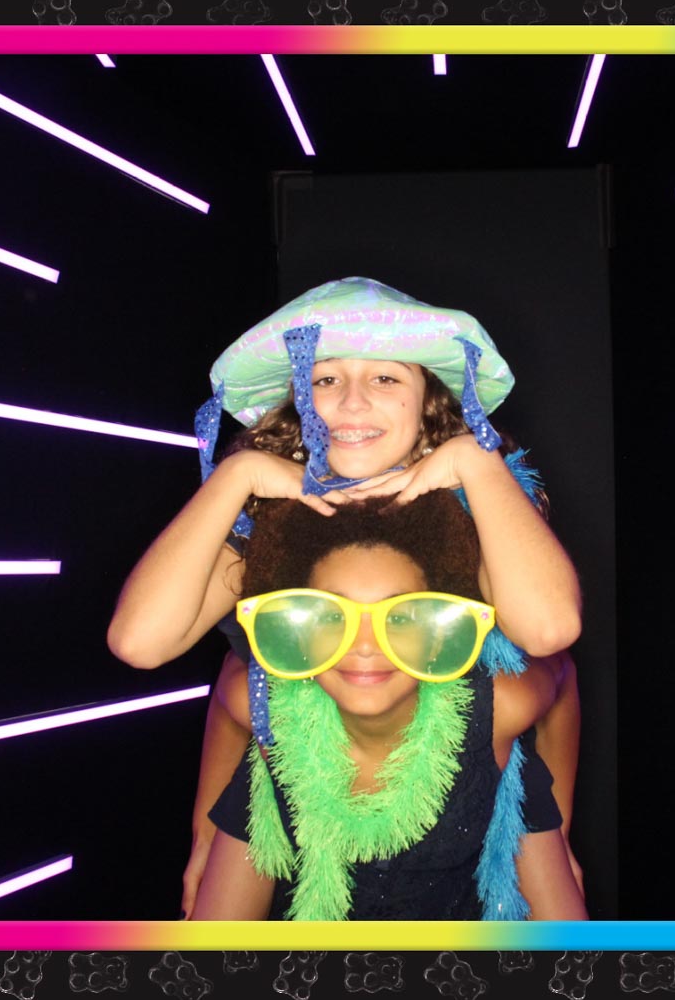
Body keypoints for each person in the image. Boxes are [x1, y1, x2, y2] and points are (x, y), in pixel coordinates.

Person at [105, 277, 583, 915]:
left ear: (429, 400)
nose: (352, 402)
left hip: (460, 779)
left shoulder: (475, 514)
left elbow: (550, 634)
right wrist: (237, 476)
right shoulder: (272, 523)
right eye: (326, 378)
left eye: (385, 378)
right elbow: (143, 643)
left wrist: (475, 462)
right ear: (298, 398)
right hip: (304, 775)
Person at [190, 493, 585, 921]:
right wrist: (203, 836)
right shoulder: (267, 705)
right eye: (331, 616)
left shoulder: (498, 709)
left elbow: (561, 673)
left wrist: (561, 828)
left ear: (438, 633)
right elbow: (230, 686)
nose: (364, 646)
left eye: (401, 617)